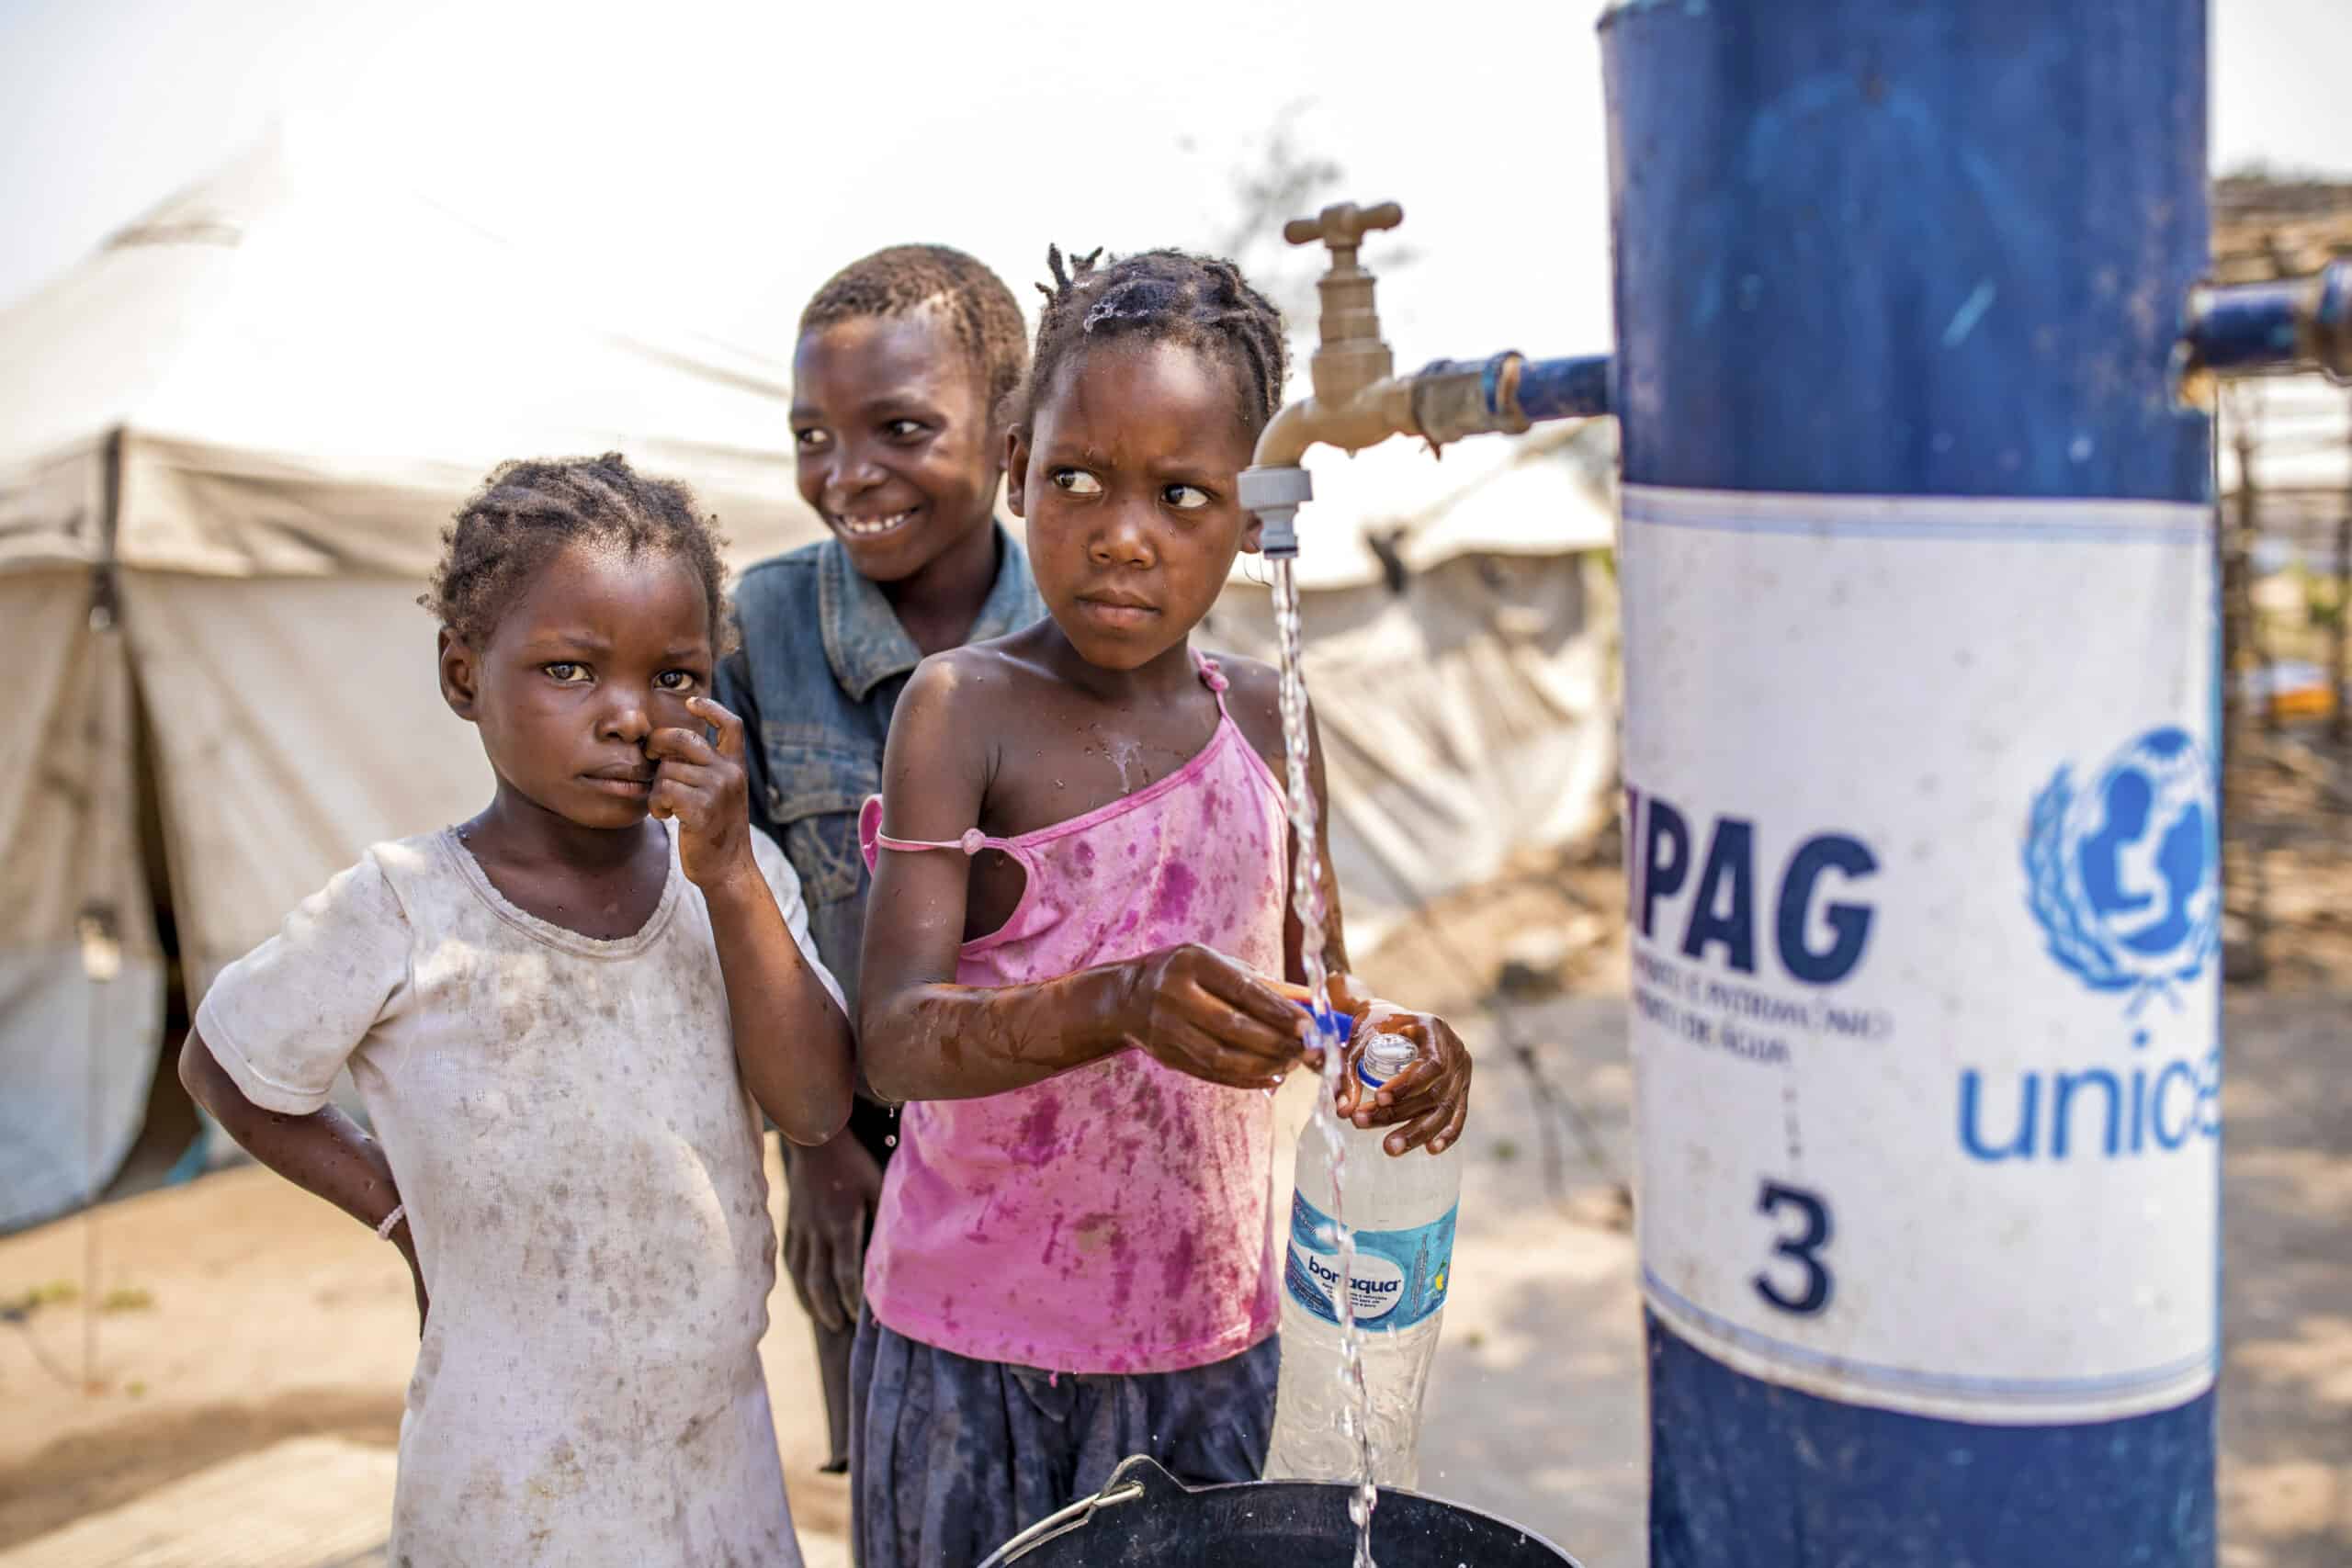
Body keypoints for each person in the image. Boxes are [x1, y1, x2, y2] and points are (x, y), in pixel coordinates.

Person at [850, 247, 1476, 1568]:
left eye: (1182, 493)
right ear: (1018, 464)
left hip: (1208, 1342)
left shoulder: (1265, 713)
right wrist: (1116, 1000)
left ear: (1252, 515)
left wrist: (1401, 1048)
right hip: (980, 1354)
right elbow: (896, 1038)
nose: (1121, 530)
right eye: (1077, 477)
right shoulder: (964, 709)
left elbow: (1322, 995)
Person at [178, 454, 854, 1565]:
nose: (631, 718)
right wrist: (401, 1218)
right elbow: (224, 1066)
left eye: (676, 677)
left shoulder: (735, 883)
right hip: (506, 1487)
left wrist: (729, 877)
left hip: (714, 1469)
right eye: (569, 671)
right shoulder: (403, 907)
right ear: (462, 676)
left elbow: (817, 1105)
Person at [717, 243, 1044, 1472]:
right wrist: (815, 1149)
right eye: (813, 435)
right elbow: (727, 905)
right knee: (909, 1498)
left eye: (899, 427)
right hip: (861, 1156)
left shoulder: (1096, 620)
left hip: (1064, 1156)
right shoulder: (761, 629)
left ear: (1008, 427)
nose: (847, 477)